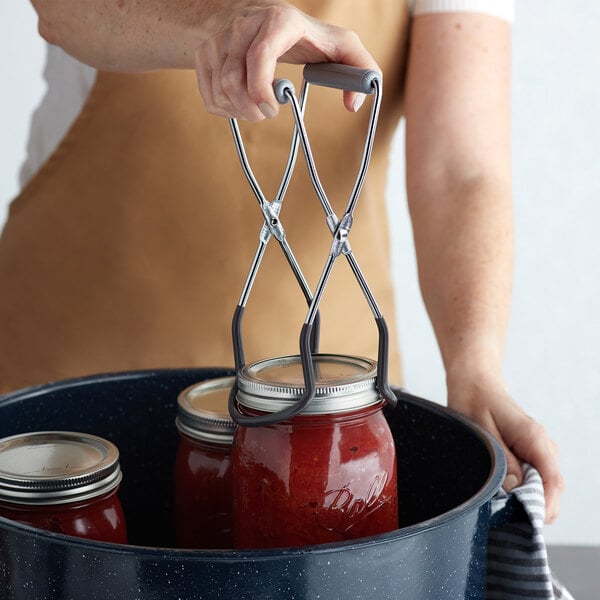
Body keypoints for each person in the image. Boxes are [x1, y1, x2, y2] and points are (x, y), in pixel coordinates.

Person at [0, 0, 563, 522]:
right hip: (69, 394)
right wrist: (214, 27)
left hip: (327, 411)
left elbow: (459, 168)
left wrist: (475, 367)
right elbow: (62, 13)